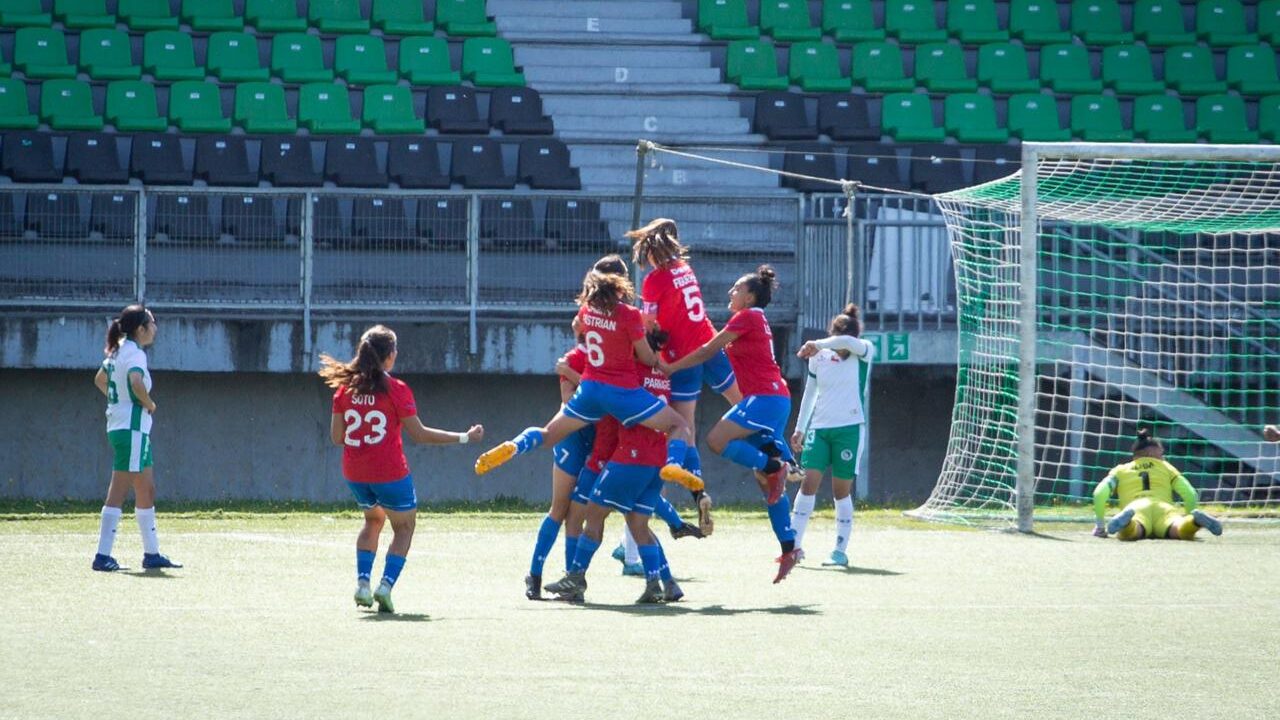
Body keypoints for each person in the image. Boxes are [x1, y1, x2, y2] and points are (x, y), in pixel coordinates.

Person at [474, 258, 703, 497]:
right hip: (622, 391)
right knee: (679, 425)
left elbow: (584, 335)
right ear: (620, 283)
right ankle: (673, 465)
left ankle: (515, 445)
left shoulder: (585, 312)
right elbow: (645, 357)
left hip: (590, 389)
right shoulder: (629, 314)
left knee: (548, 435)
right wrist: (659, 360)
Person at [320, 325, 483, 613]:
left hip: (355, 473)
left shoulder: (345, 389)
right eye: (394, 350)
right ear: (389, 356)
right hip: (390, 472)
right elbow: (419, 435)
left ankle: (362, 584)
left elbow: (336, 438)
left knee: (372, 521)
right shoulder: (396, 389)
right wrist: (464, 437)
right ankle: (385, 587)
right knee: (404, 527)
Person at [660, 265, 801, 583]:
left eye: (736, 288)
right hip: (772, 400)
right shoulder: (753, 319)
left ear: (750, 296)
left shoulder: (747, 317)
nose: (730, 292)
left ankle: (778, 463)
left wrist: (671, 367)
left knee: (716, 440)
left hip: (765, 400)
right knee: (768, 486)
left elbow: (709, 349)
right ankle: (789, 546)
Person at [546, 332, 688, 604]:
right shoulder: (662, 377)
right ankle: (659, 583)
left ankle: (575, 579)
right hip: (657, 459)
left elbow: (600, 393)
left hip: (629, 457)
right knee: (639, 524)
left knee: (593, 515)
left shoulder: (630, 373)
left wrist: (568, 371)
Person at [629, 218, 742, 536]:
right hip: (709, 342)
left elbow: (650, 324)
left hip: (683, 358)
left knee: (682, 429)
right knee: (745, 407)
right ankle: (774, 462)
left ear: (649, 251)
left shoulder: (654, 280)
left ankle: (693, 488)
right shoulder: (684, 267)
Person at [91, 304, 180, 572]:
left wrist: (120, 403)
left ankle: (152, 553)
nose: (155, 328)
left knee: (146, 489)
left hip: (129, 429)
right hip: (131, 430)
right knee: (119, 490)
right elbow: (136, 382)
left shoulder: (120, 350)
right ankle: (102, 555)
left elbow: (100, 380)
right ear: (140, 329)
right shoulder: (134, 354)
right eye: (151, 323)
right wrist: (148, 404)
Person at [789, 304, 875, 567]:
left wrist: (816, 342)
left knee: (840, 491)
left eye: (843, 343)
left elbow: (847, 340)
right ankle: (793, 546)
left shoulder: (864, 351)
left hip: (850, 429)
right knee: (808, 484)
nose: (840, 349)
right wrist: (800, 427)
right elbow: (811, 392)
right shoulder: (820, 356)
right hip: (820, 429)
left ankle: (839, 550)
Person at [525, 335, 597, 600]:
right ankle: (534, 574)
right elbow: (570, 401)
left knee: (579, 513)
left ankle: (571, 581)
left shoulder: (618, 356)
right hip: (573, 437)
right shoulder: (574, 357)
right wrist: (574, 374)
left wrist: (573, 375)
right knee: (560, 508)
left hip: (600, 440)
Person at [1092, 428, 1223, 541]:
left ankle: (1126, 523)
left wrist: (1100, 525)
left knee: (1132, 532)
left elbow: (1099, 493)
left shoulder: (1120, 470)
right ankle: (1194, 522)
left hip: (1135, 508)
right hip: (1163, 508)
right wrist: (1190, 513)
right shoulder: (1166, 467)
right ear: (1151, 453)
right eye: (1161, 453)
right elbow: (1190, 493)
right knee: (1180, 529)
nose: (1163, 457)